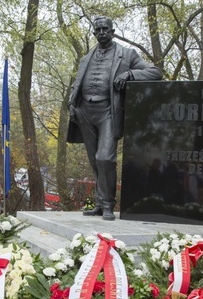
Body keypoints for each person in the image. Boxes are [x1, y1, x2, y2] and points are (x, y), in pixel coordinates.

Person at [67, 16, 162, 221]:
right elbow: (76, 84)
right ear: (94, 33)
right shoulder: (86, 58)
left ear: (113, 32)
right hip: (85, 112)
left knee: (105, 158)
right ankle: (100, 204)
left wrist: (130, 74)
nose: (102, 33)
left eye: (105, 29)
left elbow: (155, 72)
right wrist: (71, 105)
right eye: (98, 30)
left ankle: (109, 204)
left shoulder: (126, 55)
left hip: (108, 112)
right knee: (94, 161)